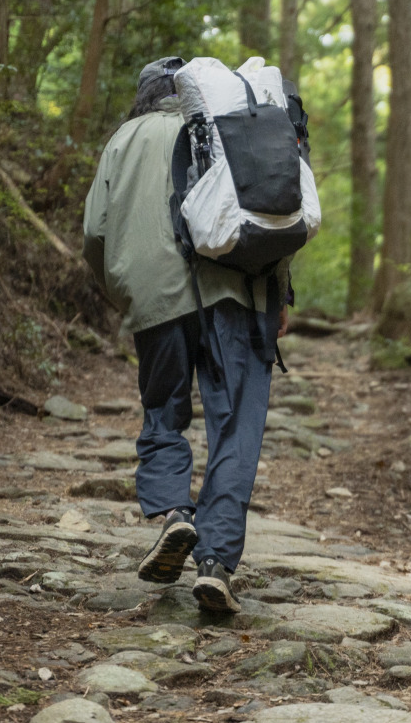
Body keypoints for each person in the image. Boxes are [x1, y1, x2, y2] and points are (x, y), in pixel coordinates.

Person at [82, 57, 289, 614]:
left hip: (155, 299)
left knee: (162, 412)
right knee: (236, 428)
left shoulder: (124, 139)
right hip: (240, 295)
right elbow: (266, 205)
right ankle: (217, 563)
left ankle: (174, 513)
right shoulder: (226, 119)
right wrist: (280, 297)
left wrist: (127, 294)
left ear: (143, 96)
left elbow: (94, 233)